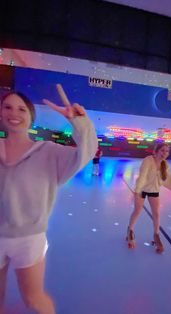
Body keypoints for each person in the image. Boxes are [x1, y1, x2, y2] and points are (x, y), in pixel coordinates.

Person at [0, 88, 97, 314]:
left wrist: (80, 124)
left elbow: (86, 152)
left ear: (31, 117)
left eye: (22, 109)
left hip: (29, 239)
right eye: (7, 107)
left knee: (34, 299)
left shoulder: (48, 152)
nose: (14, 113)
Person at [126, 143, 171, 253]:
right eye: (162, 150)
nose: (165, 153)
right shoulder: (148, 160)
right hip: (142, 190)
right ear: (155, 151)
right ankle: (130, 230)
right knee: (137, 211)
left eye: (167, 151)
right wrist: (137, 192)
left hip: (154, 191)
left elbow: (170, 179)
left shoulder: (164, 165)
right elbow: (142, 177)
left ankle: (156, 235)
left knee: (156, 214)